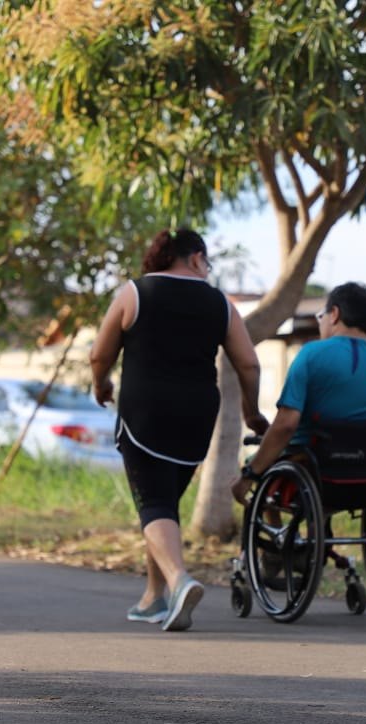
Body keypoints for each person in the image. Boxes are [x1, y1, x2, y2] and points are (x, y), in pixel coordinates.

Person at [91, 228, 269, 632]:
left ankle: (179, 581)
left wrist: (101, 385)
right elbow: (249, 364)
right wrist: (251, 411)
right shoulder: (220, 303)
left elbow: (100, 352)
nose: (207, 269)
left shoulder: (134, 293)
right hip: (197, 415)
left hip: (144, 413)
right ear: (194, 258)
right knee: (164, 502)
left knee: (153, 504)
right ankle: (154, 598)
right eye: (206, 262)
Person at [231, 281, 366, 505]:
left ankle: (276, 533)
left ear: (334, 314)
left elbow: (286, 425)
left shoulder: (311, 354)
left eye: (322, 316)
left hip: (317, 466)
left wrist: (250, 475)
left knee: (266, 468)